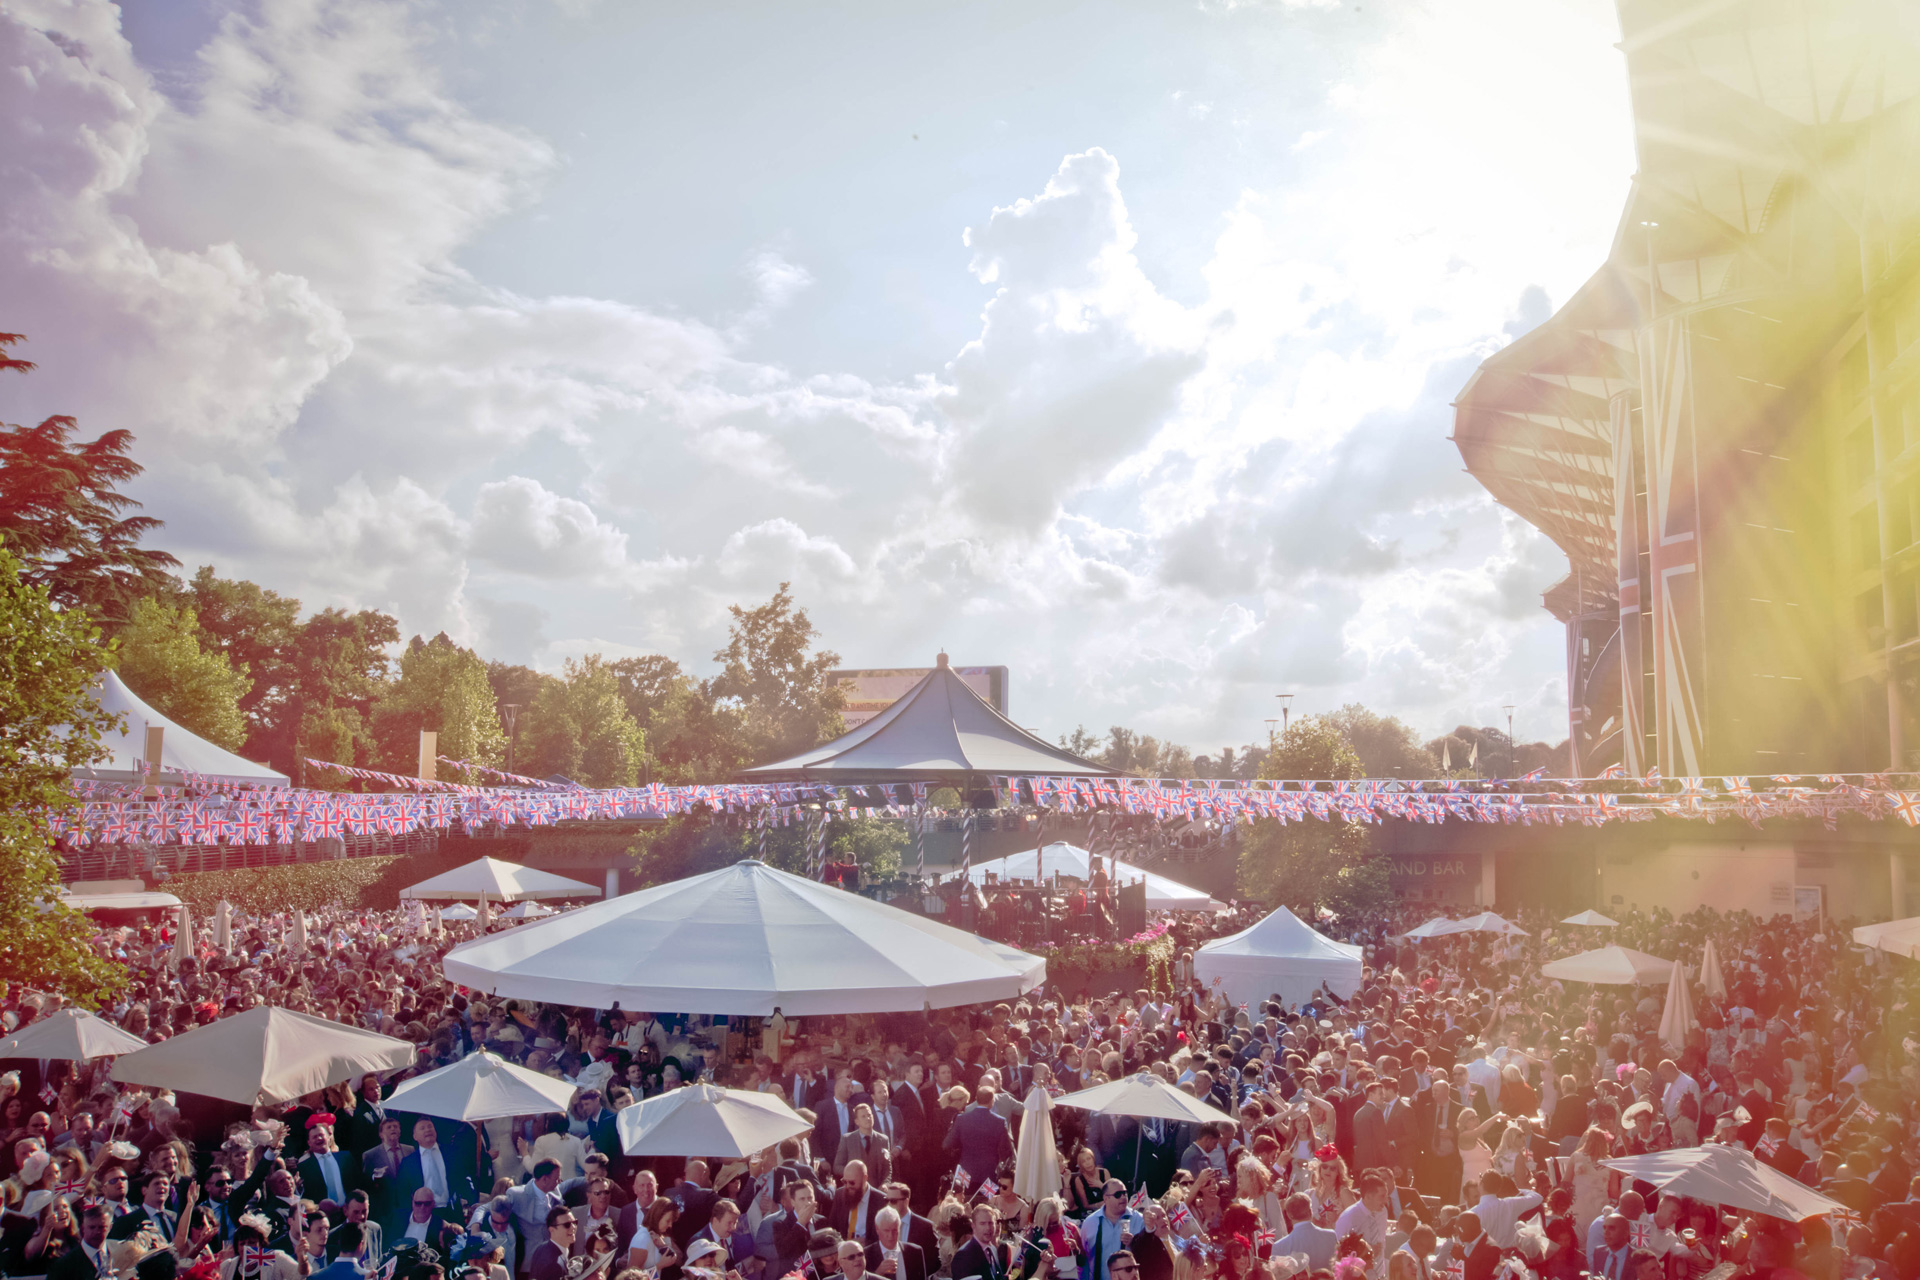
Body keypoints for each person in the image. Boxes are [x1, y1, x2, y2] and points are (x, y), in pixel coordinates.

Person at [1077, 1181, 1141, 1280]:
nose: (1123, 1197)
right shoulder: (1090, 1223)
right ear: (1105, 1198)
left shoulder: (1139, 1220)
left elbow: (1149, 1254)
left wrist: (1135, 1243)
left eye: (1125, 1193)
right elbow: (1084, 1258)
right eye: (1118, 1195)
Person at [526, 1205, 577, 1280]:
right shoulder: (554, 1265)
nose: (573, 1227)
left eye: (575, 1222)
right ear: (552, 1230)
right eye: (567, 1225)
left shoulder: (542, 1247)